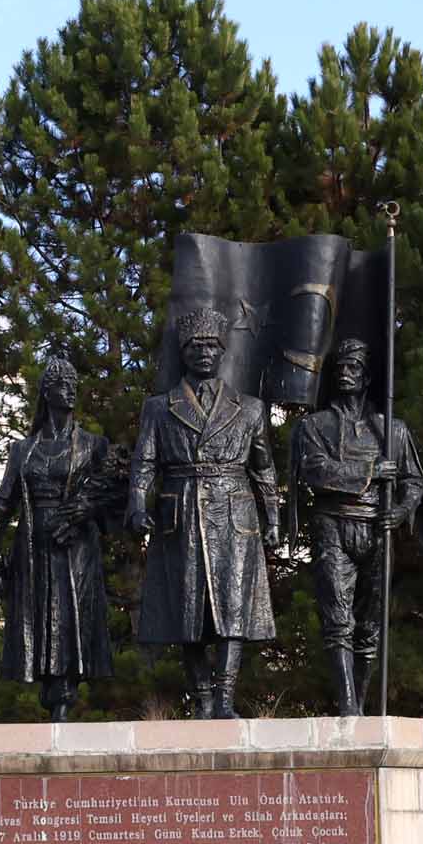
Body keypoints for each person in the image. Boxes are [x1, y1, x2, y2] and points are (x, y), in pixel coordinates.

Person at [126, 305, 281, 719]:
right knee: (187, 613)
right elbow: (144, 462)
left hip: (234, 512)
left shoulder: (249, 408)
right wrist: (138, 505)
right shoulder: (160, 408)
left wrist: (274, 517)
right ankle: (203, 700)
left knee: (232, 611)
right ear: (184, 352)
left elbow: (263, 466)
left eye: (212, 346)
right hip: (183, 512)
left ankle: (226, 701)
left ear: (223, 351)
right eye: (196, 346)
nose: (204, 353)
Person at [289, 336, 423, 717]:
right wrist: (369, 470)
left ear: (367, 375)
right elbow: (315, 472)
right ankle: (347, 704)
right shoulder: (314, 426)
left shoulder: (393, 431)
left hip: (377, 527)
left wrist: (402, 510)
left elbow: (414, 481)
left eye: (353, 368)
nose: (344, 374)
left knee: (370, 625)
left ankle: (362, 698)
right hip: (332, 525)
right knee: (338, 619)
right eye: (339, 368)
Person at [0, 352, 122, 722]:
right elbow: (4, 499)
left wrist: (81, 515)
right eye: (62, 385)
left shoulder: (93, 445)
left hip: (74, 546)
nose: (70, 391)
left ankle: (64, 694)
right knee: (39, 621)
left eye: (74, 385)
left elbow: (112, 497)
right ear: (46, 392)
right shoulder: (23, 450)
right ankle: (50, 691)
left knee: (72, 620)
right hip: (32, 546)